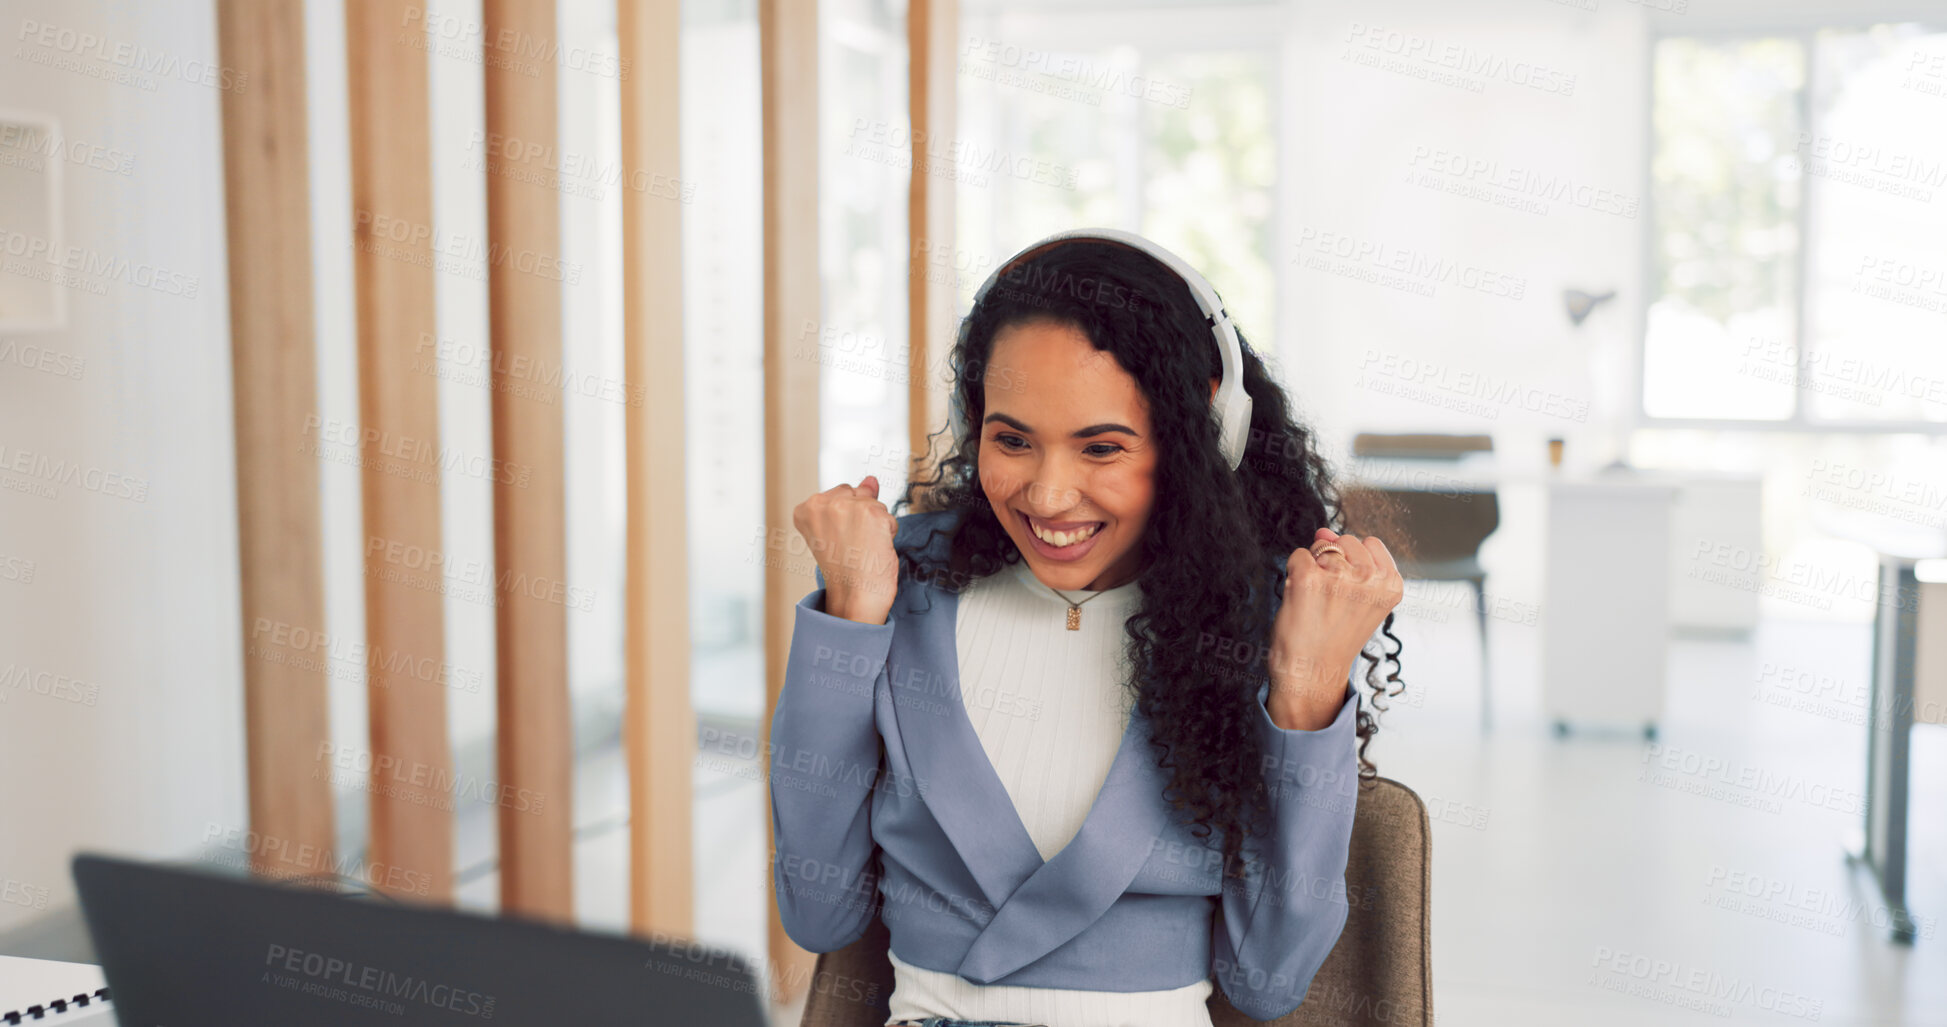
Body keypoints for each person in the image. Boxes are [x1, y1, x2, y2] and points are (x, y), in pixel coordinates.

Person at [773, 231, 1407, 1027]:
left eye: (1100, 447)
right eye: (1011, 440)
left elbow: (1268, 977)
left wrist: (1307, 692)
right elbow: (818, 911)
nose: (1046, 496)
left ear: (1200, 434)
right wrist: (848, 619)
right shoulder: (898, 579)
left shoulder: (1260, 618)